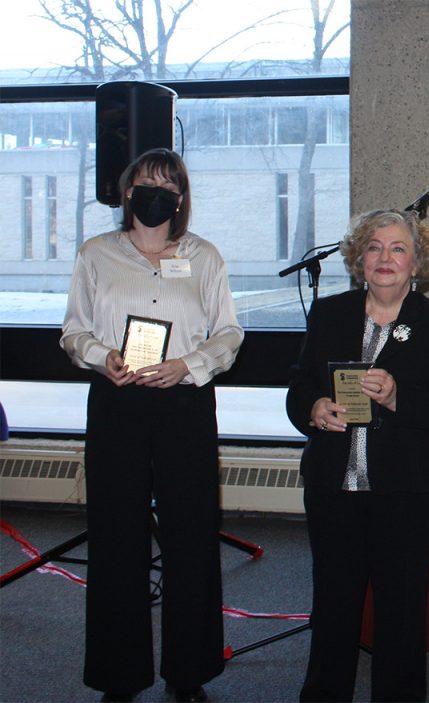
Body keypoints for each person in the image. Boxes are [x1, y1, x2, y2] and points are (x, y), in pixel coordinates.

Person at [61, 148, 243, 703]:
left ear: (181, 199)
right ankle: (120, 674)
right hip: (118, 402)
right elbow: (72, 331)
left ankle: (188, 673)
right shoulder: (96, 255)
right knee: (116, 537)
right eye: (144, 182)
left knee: (190, 535)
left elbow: (229, 335)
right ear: (126, 191)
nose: (154, 192)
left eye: (167, 185)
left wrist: (187, 366)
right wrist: (101, 355)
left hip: (184, 404)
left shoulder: (204, 257)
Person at [286, 208, 429, 701]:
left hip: (405, 491)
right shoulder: (329, 314)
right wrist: (314, 407)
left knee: (401, 612)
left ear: (417, 263)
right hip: (334, 487)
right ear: (358, 258)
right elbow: (299, 387)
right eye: (374, 247)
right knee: (333, 607)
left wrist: (396, 398)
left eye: (397, 249)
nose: (384, 258)